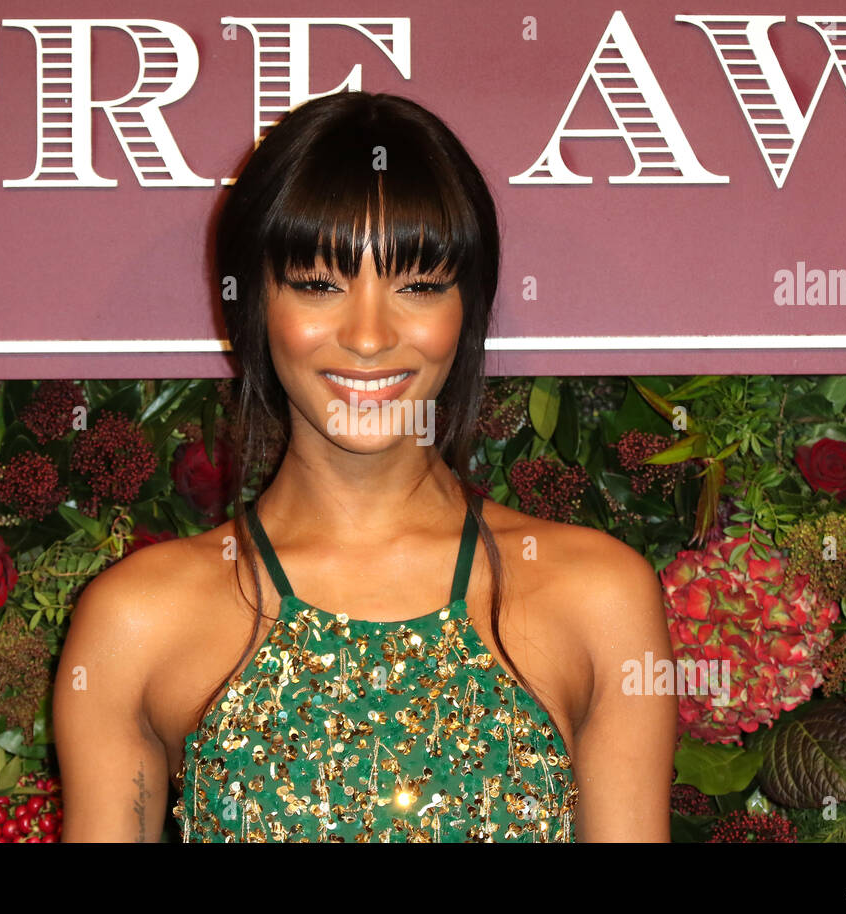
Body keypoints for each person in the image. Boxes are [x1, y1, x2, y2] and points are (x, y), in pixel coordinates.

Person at [54, 91, 677, 842]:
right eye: (319, 284)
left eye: (418, 285)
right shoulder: (136, 620)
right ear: (252, 303)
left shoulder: (597, 597)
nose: (370, 335)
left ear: (468, 309)